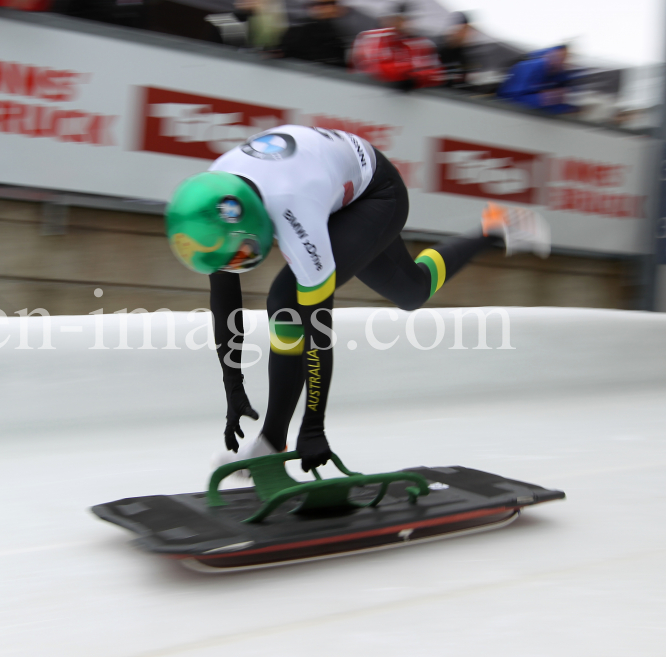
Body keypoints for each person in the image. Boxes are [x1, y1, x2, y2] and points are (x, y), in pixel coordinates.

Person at [164, 125, 550, 472]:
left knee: (287, 300)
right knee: (412, 290)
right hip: (328, 184)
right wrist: (233, 386)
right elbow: (225, 300)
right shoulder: (215, 205)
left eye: (242, 254)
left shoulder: (292, 208)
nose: (241, 262)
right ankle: (493, 226)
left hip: (375, 193)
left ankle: (271, 439)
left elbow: (318, 324)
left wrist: (314, 426)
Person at [352, 2, 443, 91]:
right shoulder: (371, 38)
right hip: (370, 91)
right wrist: (405, 74)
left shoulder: (421, 44)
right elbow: (370, 66)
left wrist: (414, 78)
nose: (401, 24)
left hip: (411, 99)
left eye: (405, 20)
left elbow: (434, 73)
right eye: (398, 19)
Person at [497, 45, 579, 115]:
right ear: (549, 55)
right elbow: (510, 98)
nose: (561, 62)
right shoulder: (528, 68)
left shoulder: (561, 75)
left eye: (564, 59)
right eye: (558, 57)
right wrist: (541, 99)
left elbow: (558, 101)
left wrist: (567, 108)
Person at [281, 0, 353, 67]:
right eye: (325, 4)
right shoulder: (298, 32)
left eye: (332, 3)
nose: (329, 7)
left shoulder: (342, 29)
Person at [437, 11, 474, 88]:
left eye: (465, 30)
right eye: (461, 30)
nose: (464, 34)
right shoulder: (438, 53)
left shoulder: (466, 57)